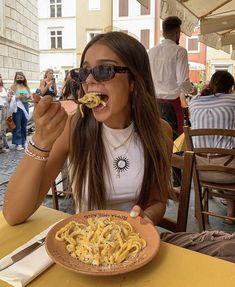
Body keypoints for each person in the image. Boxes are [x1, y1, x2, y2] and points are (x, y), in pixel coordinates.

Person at [3, 31, 172, 227]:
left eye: (104, 70)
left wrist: (147, 216)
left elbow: (157, 201)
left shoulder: (161, 131)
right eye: (83, 72)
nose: (89, 81)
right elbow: (13, 214)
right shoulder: (74, 127)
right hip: (87, 245)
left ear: (134, 80)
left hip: (136, 243)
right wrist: (41, 140)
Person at [148, 16, 196, 188]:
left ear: (162, 32)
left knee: (155, 140)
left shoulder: (151, 51)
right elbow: (183, 81)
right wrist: (192, 90)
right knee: (176, 142)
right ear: (177, 33)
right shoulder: (179, 51)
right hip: (171, 102)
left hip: (153, 102)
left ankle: (156, 178)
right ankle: (176, 182)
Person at [189, 70, 235, 222]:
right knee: (227, 151)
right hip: (229, 172)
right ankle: (230, 212)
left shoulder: (194, 101)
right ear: (230, 88)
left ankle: (223, 201)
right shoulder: (232, 101)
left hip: (200, 170)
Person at [9, 72, 31, 151]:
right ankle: (18, 143)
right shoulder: (13, 86)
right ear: (15, 79)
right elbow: (10, 97)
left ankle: (24, 141)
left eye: (21, 77)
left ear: (23, 78)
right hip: (17, 107)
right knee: (17, 125)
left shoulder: (26, 87)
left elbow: (30, 98)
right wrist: (17, 97)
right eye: (18, 78)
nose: (19, 79)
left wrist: (27, 97)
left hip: (25, 106)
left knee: (24, 125)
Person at [0, 75, 10, 152]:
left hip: (5, 109)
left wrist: (10, 96)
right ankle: (1, 147)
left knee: (3, 128)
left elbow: (7, 100)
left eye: (0, 77)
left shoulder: (4, 88)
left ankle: (4, 145)